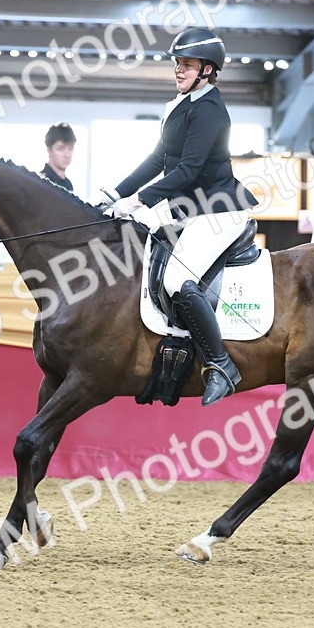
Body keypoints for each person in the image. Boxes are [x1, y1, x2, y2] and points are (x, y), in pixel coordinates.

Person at [102, 28, 257, 406]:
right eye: (177, 64)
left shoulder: (210, 110)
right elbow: (159, 160)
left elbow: (187, 170)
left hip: (219, 211)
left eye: (186, 64)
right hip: (187, 210)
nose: (178, 70)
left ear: (207, 70)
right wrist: (115, 194)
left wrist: (138, 201)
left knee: (178, 279)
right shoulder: (181, 104)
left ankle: (221, 364)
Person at [41, 123, 76, 192]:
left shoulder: (68, 184)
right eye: (60, 149)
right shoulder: (41, 182)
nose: (67, 155)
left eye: (70, 149)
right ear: (49, 151)